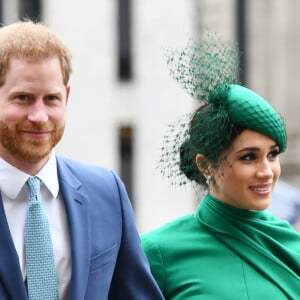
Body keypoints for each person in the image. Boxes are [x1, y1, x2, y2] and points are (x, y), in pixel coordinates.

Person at [0, 20, 164, 300]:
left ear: (67, 96)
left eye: (51, 99)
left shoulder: (107, 192)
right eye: (23, 98)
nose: (39, 116)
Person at [141, 36, 300, 299]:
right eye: (248, 157)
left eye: (272, 155)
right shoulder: (158, 252)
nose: (267, 171)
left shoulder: (292, 246)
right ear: (205, 164)